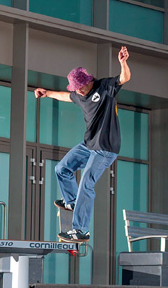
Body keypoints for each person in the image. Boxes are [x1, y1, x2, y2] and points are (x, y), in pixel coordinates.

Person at [34, 46, 130, 243]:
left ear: (88, 81)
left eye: (81, 87)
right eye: (76, 88)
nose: (78, 91)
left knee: (86, 183)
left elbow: (124, 78)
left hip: (105, 148)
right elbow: (65, 96)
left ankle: (81, 230)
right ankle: (72, 202)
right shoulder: (78, 94)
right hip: (89, 144)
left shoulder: (105, 87)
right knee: (62, 168)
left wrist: (123, 63)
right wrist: (47, 93)